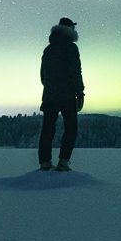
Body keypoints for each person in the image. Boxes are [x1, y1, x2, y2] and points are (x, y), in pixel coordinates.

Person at [38, 16, 84, 171]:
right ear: (70, 30)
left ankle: (45, 163)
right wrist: (80, 93)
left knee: (47, 130)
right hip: (67, 96)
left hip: (50, 96)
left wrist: (51, 87)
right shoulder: (71, 48)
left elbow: (43, 75)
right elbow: (75, 72)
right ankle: (63, 163)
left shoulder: (48, 49)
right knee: (71, 129)